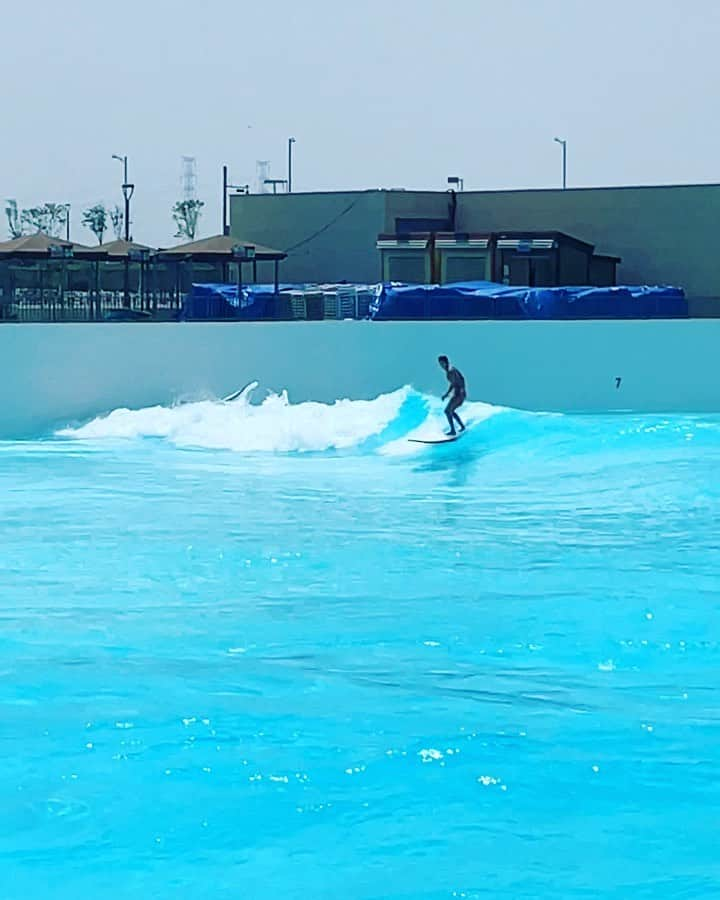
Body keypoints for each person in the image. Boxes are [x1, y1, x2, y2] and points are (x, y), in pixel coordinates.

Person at [438, 355, 466, 436]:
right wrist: (446, 394)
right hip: (457, 393)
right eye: (440, 364)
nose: (441, 365)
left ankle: (453, 430)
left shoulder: (451, 370)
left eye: (442, 363)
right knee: (450, 411)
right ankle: (462, 426)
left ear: (446, 362)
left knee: (447, 411)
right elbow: (453, 384)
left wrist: (461, 390)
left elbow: (460, 380)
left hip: (459, 394)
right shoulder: (448, 371)